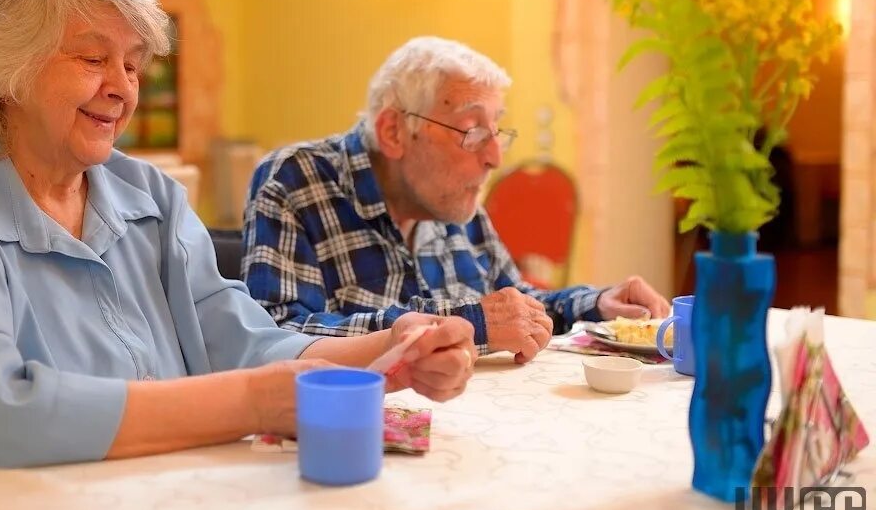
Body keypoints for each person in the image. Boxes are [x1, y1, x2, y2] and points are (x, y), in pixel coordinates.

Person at [0, 0, 475, 502]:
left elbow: (241, 340)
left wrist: (391, 350)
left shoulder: (150, 197)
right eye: (93, 58)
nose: (123, 89)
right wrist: (253, 404)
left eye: (135, 66)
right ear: (7, 70)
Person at [242, 36, 669, 364]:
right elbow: (278, 335)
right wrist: (465, 323)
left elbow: (513, 302)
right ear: (394, 132)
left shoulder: (452, 198)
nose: (495, 157)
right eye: (472, 132)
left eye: (496, 130)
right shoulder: (297, 180)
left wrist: (596, 304)